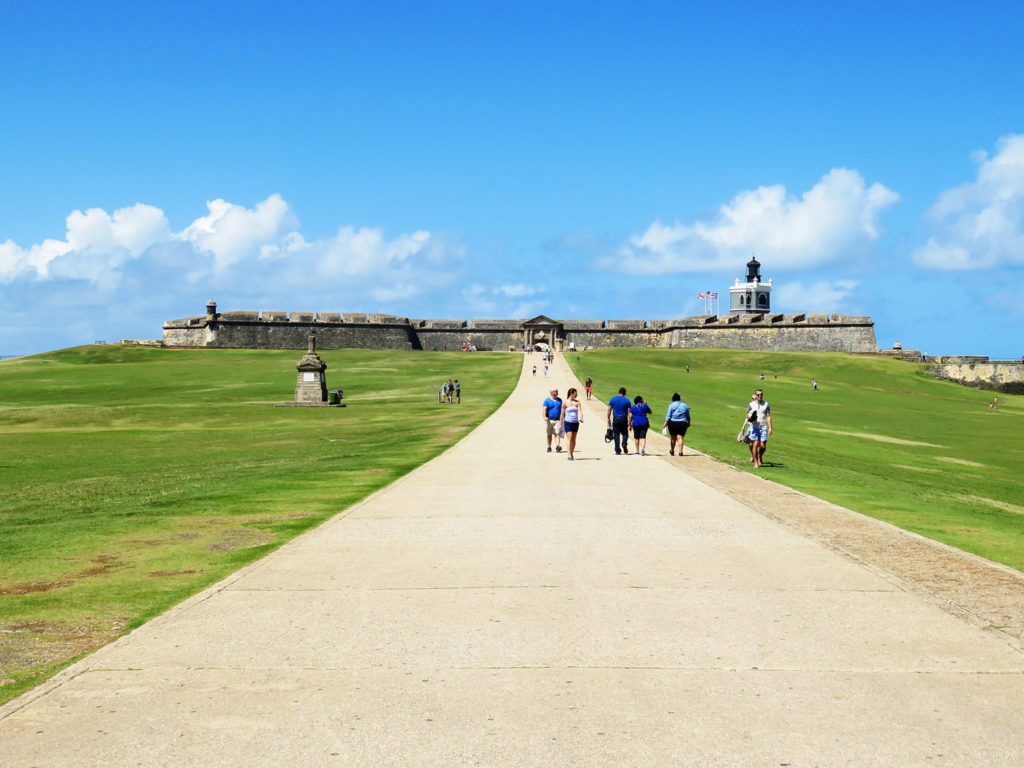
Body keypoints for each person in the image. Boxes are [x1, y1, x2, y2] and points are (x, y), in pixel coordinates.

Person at [742, 388, 772, 468]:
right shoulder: (751, 404)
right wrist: (750, 418)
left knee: (763, 446)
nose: (760, 396)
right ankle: (755, 462)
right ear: (755, 395)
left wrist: (770, 427)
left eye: (761, 394)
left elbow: (768, 416)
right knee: (755, 444)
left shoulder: (766, 404)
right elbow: (747, 414)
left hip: (763, 427)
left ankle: (759, 456)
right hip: (754, 427)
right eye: (758, 394)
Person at [606, 386, 632, 455]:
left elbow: (609, 410)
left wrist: (608, 418)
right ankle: (624, 443)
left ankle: (617, 450)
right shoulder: (627, 400)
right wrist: (630, 423)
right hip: (623, 418)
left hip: (616, 418)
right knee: (625, 433)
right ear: (625, 393)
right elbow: (630, 413)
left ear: (619, 392)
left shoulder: (613, 399)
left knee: (616, 434)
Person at [560, 387, 583, 460]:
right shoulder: (565, 402)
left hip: (575, 422)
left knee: (574, 440)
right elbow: (562, 414)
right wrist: (560, 424)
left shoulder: (577, 402)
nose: (576, 395)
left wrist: (581, 417)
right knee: (569, 438)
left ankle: (571, 452)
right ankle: (569, 454)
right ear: (571, 394)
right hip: (568, 422)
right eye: (575, 394)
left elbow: (580, 411)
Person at [542, 388, 563, 453]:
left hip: (557, 420)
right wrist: (544, 417)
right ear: (551, 392)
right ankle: (549, 446)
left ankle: (557, 446)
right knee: (549, 434)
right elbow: (544, 409)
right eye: (555, 391)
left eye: (557, 391)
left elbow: (562, 409)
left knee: (557, 433)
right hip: (549, 420)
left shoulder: (560, 400)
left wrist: (562, 418)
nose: (556, 392)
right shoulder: (547, 401)